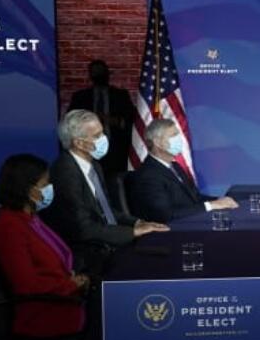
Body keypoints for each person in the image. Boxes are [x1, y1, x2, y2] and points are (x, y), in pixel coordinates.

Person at [41, 109, 168, 274]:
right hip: (86, 254)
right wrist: (133, 232)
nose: (104, 138)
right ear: (79, 143)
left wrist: (137, 223)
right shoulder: (65, 172)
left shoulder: (94, 165)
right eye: (97, 135)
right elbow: (83, 229)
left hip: (107, 242)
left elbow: (106, 210)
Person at [0, 154, 89, 338]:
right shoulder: (9, 226)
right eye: (45, 185)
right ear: (27, 189)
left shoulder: (31, 218)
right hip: (43, 313)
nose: (50, 189)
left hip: (66, 300)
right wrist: (69, 284)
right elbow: (26, 285)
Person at [126, 118, 239, 223]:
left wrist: (220, 200)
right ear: (158, 143)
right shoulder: (148, 175)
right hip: (169, 236)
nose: (179, 139)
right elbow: (165, 215)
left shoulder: (174, 166)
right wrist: (211, 205)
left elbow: (194, 198)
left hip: (190, 224)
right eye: (174, 135)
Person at [67, 59, 136, 181]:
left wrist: (116, 121)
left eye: (101, 72)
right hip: (88, 148)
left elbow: (132, 120)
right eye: (95, 72)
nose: (98, 75)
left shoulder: (120, 95)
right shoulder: (80, 97)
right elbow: (71, 122)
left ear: (107, 73)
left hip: (117, 151)